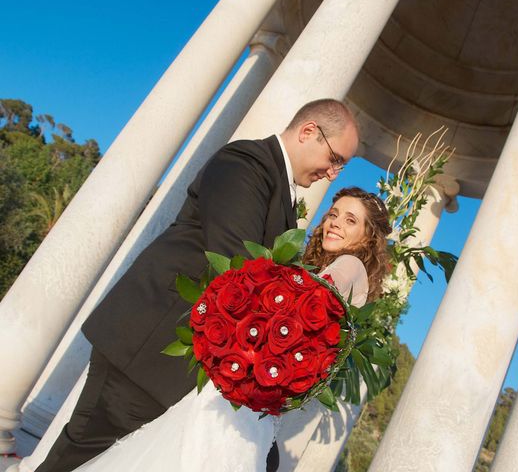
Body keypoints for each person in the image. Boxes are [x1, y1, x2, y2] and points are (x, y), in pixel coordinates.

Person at [35, 99, 360, 472]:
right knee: (80, 455)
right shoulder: (247, 163)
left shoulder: (280, 191)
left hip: (174, 367)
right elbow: (239, 264)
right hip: (147, 347)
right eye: (335, 158)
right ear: (309, 132)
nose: (333, 173)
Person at [67, 187, 391, 472]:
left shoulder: (349, 266)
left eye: (350, 220)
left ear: (367, 237)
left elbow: (307, 307)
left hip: (253, 387)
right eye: (333, 214)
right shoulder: (327, 265)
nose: (335, 222)